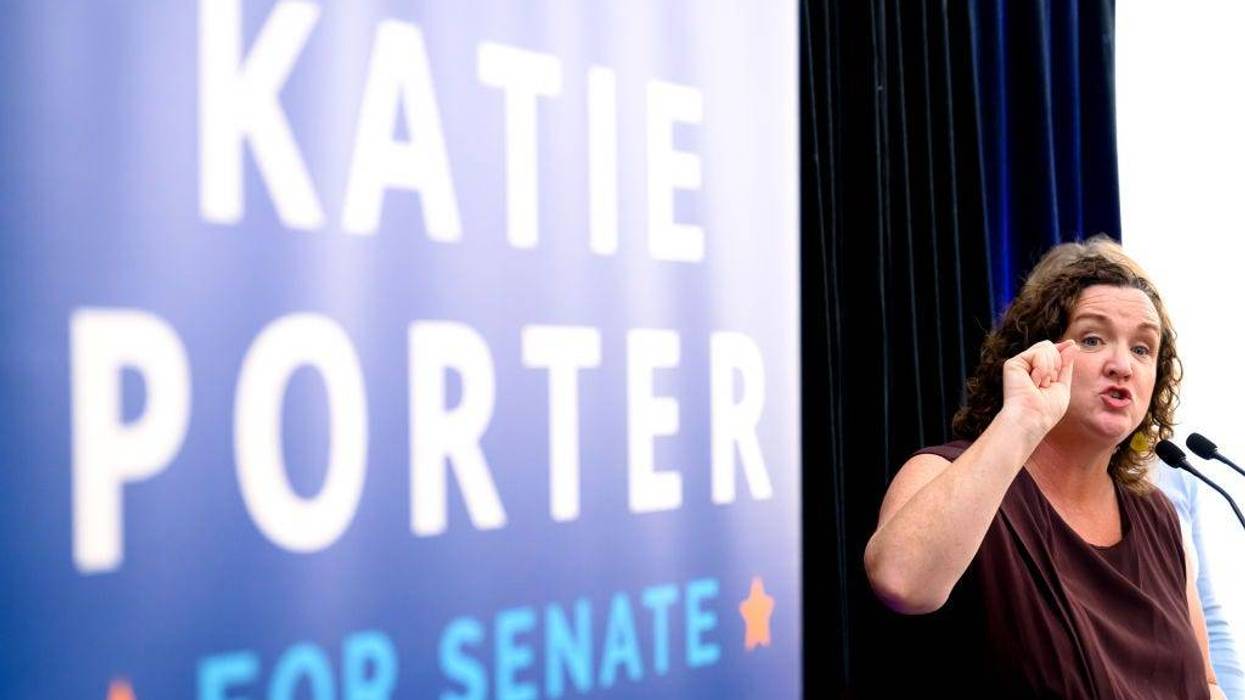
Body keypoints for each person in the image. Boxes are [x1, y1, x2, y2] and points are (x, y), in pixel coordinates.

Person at [863, 237, 1224, 697]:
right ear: (1038, 353)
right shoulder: (945, 472)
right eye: (1093, 339)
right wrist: (1022, 420)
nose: (1122, 365)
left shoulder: (1158, 517)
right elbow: (901, 582)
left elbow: (1205, 684)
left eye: (1142, 349)